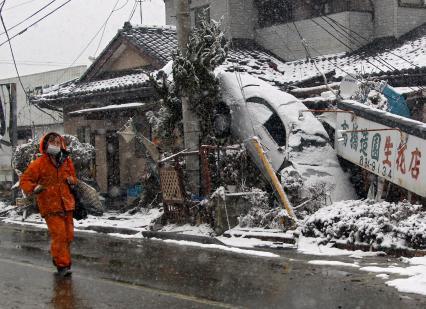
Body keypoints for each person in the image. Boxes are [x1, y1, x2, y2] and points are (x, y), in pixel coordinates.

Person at [20, 132, 77, 277]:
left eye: (58, 142)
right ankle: (62, 265)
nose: (55, 144)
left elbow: (74, 178)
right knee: (60, 236)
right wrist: (34, 188)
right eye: (52, 141)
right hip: (50, 205)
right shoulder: (39, 164)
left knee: (69, 236)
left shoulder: (66, 161)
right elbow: (25, 180)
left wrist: (72, 180)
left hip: (67, 204)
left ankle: (60, 258)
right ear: (45, 144)